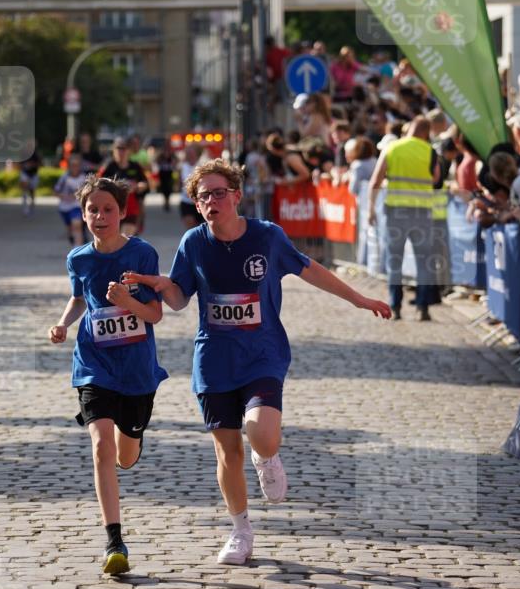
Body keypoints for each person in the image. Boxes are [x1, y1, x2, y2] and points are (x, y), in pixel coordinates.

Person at [123, 159, 390, 566]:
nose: (212, 201)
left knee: (260, 433)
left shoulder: (267, 237)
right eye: (203, 196)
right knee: (227, 452)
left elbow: (310, 270)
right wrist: (162, 286)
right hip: (213, 360)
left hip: (262, 353)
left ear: (237, 195)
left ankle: (266, 458)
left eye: (219, 192)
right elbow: (179, 299)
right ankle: (241, 531)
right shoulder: (193, 243)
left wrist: (359, 298)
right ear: (196, 205)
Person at [48, 176, 167, 575]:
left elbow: (154, 315)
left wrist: (128, 301)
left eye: (108, 209)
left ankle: (133, 440)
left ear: (122, 212)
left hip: (136, 369)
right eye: (92, 210)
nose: (100, 216)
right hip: (93, 363)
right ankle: (114, 540)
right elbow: (79, 298)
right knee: (101, 447)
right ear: (82, 215)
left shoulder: (143, 254)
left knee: (124, 455)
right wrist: (64, 324)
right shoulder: (78, 258)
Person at [368, 117, 441, 322]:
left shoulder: (392, 148)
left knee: (395, 261)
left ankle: (396, 306)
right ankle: (423, 307)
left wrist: (371, 208)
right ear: (426, 132)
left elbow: (376, 179)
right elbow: (436, 178)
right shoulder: (430, 150)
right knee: (424, 261)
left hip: (396, 212)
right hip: (423, 212)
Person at [99, 138, 149, 236]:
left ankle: (139, 226)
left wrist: (138, 186)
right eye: (118, 148)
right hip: (112, 208)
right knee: (115, 239)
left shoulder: (135, 166)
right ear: (114, 150)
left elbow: (145, 183)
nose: (121, 152)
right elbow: (99, 184)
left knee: (125, 237)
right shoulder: (109, 167)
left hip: (131, 208)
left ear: (129, 151)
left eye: (123, 148)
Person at [54, 152, 87, 246]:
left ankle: (77, 251)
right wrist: (65, 197)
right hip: (64, 208)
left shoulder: (83, 178)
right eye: (73, 165)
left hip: (77, 206)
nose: (75, 167)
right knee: (71, 230)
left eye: (77, 165)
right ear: (69, 166)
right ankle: (75, 241)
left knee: (77, 225)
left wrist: (80, 195)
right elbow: (56, 192)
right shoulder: (64, 178)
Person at [154, 138, 176, 212]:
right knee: (164, 188)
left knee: (169, 188)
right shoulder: (161, 154)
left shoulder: (172, 153)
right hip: (162, 173)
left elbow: (176, 160)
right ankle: (165, 201)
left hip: (169, 172)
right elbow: (156, 160)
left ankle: (167, 202)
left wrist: (173, 163)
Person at [20, 142, 42, 216]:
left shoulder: (36, 154)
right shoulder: (23, 154)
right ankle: (25, 206)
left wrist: (32, 165)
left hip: (33, 174)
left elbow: (40, 164)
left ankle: (32, 204)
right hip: (25, 173)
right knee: (25, 189)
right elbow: (20, 163)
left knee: (32, 191)